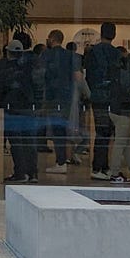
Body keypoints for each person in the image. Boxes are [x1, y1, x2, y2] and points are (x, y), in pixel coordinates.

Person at [0, 39, 39, 183]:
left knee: (16, 142)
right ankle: (33, 173)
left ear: (8, 52)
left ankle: (20, 173)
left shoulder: (4, 68)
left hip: (11, 108)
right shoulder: (29, 67)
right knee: (29, 141)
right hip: (29, 107)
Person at [36, 30, 81, 175]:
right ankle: (64, 159)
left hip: (52, 97)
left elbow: (40, 75)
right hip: (66, 97)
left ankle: (61, 161)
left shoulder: (46, 55)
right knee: (62, 129)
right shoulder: (70, 56)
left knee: (56, 131)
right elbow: (77, 77)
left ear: (51, 39)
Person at [85, 22, 124, 181]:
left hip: (98, 97)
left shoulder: (93, 52)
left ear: (101, 33)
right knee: (108, 132)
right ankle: (102, 166)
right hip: (113, 98)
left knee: (101, 131)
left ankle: (99, 166)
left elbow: (89, 76)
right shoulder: (116, 54)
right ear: (114, 35)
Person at [108, 49, 130, 183]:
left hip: (115, 109)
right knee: (120, 143)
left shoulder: (120, 66)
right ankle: (114, 173)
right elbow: (126, 91)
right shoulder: (127, 70)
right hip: (122, 110)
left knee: (126, 143)